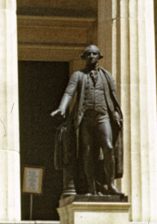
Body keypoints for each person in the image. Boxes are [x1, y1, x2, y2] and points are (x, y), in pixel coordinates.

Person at [51, 45, 124, 197]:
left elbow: (112, 96)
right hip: (85, 118)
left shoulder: (107, 76)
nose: (91, 56)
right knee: (87, 152)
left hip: (102, 116)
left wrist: (116, 113)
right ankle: (90, 186)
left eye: (94, 54)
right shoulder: (78, 75)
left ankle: (110, 184)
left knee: (109, 147)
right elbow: (69, 92)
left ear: (99, 56)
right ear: (84, 57)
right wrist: (62, 108)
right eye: (88, 54)